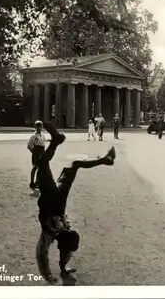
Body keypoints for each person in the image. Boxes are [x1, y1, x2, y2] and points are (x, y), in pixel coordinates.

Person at [34, 121, 116, 284]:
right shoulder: (61, 233)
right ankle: (104, 159)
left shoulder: (51, 233)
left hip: (56, 198)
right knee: (52, 165)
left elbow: (43, 254)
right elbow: (48, 253)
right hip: (54, 198)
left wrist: (49, 275)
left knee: (73, 165)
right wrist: (59, 270)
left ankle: (104, 160)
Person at [28, 120, 46, 189]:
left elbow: (43, 143)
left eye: (40, 126)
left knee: (40, 168)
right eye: (38, 126)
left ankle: (37, 182)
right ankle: (32, 182)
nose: (39, 128)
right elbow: (29, 145)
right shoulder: (33, 136)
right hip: (36, 152)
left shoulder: (43, 136)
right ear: (35, 127)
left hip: (42, 152)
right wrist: (33, 151)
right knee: (35, 167)